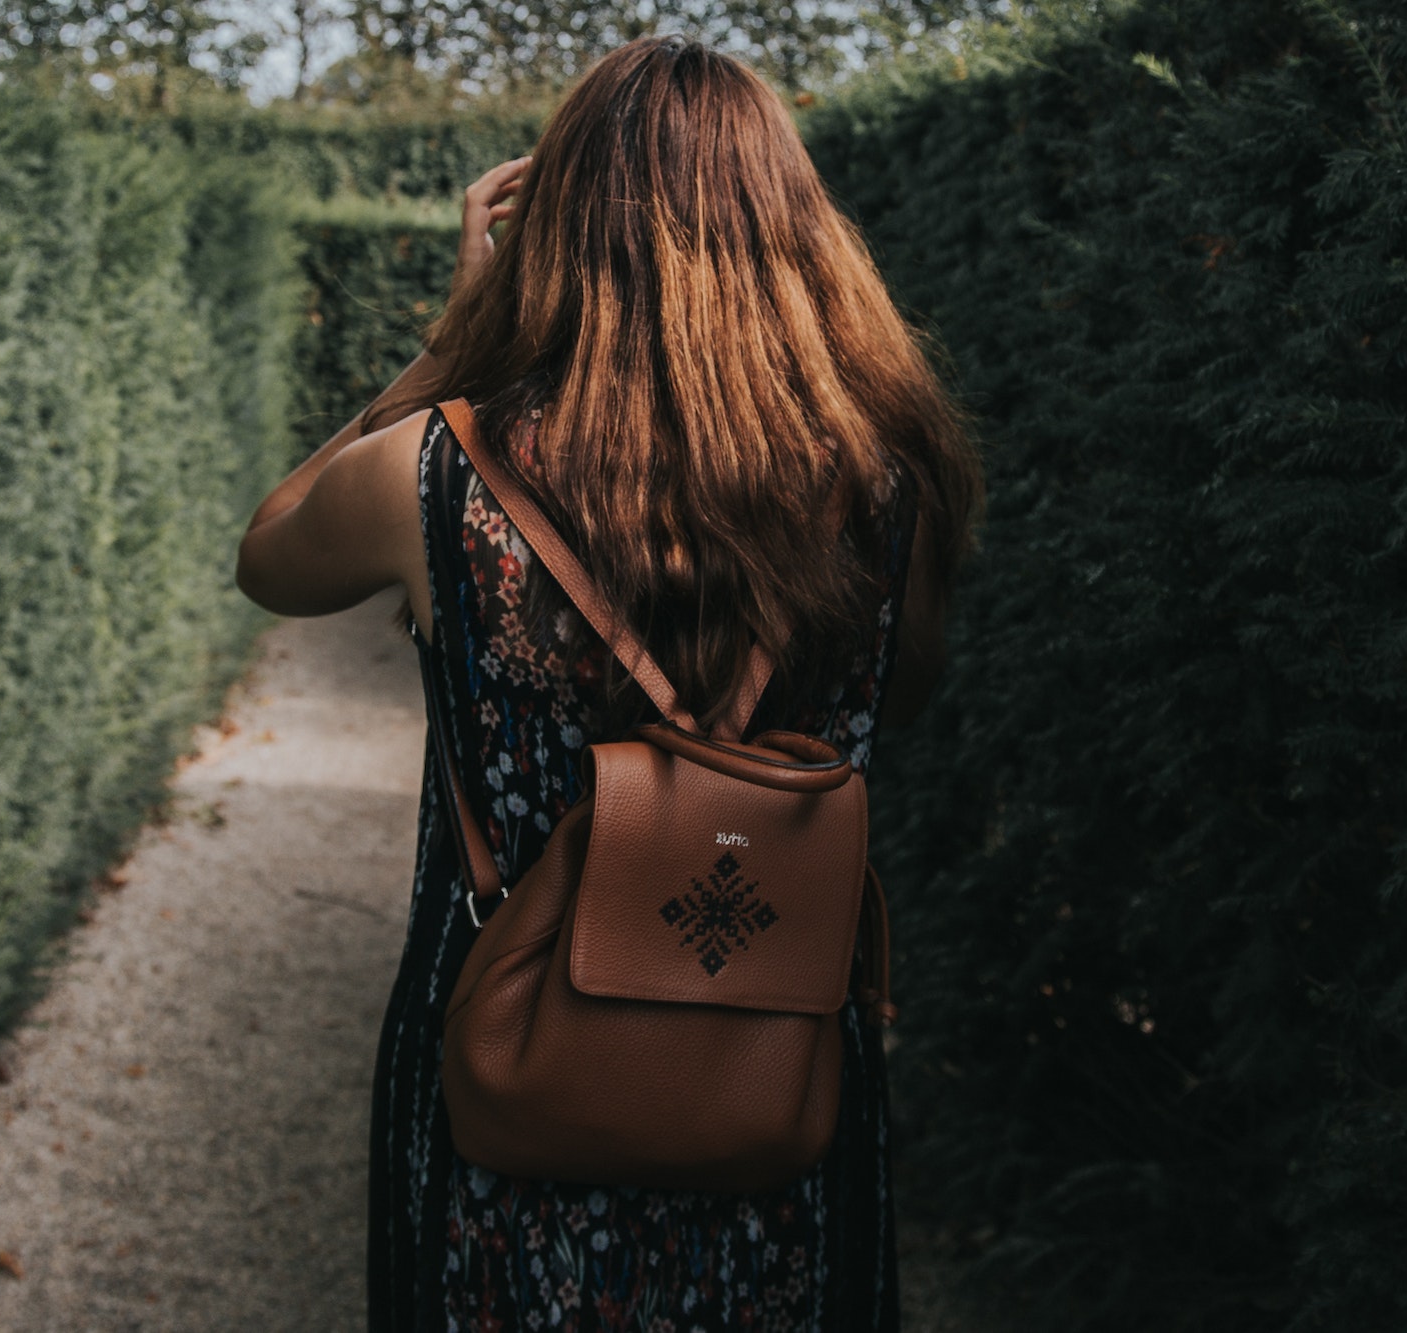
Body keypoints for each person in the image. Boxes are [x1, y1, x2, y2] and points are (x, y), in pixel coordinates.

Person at [236, 34, 982, 1333]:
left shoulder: (433, 474)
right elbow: (900, 695)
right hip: (774, 1057)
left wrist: (450, 342)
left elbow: (270, 560)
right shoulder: (888, 486)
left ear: (557, 227)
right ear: (791, 229)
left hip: (509, 1073)